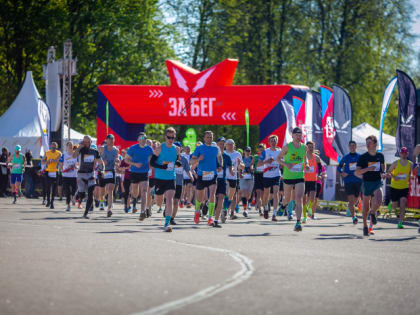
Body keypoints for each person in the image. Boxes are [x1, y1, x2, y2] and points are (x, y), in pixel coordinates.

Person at [277, 128, 309, 232]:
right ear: (293, 135)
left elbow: (305, 158)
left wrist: (307, 164)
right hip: (288, 176)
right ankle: (283, 205)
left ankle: (298, 222)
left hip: (300, 176)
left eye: (300, 134)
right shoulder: (287, 147)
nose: (299, 136)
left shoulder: (304, 147)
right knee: (287, 199)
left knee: (299, 198)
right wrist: (286, 164)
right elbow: (278, 158)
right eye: (297, 134)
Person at [190, 131, 223, 227]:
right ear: (204, 138)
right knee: (200, 197)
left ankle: (210, 218)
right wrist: (198, 159)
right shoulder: (199, 148)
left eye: (211, 137)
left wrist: (220, 165)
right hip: (201, 174)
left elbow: (220, 157)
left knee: (212, 194)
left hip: (213, 174)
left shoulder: (215, 148)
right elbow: (191, 161)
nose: (209, 139)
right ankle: (197, 211)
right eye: (208, 137)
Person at [355, 135, 385, 236]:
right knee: (365, 208)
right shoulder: (363, 157)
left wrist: (385, 174)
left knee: (379, 199)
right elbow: (356, 172)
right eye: (366, 143)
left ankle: (373, 213)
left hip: (377, 181)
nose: (367, 145)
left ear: (375, 144)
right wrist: (367, 169)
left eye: (370, 143)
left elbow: (382, 170)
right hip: (367, 183)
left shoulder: (380, 156)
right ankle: (365, 226)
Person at [150, 127, 179, 232]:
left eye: (173, 137)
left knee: (170, 199)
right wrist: (163, 167)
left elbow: (176, 161)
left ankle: (167, 224)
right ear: (165, 137)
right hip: (159, 178)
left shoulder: (176, 149)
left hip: (171, 178)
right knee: (159, 202)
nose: (171, 139)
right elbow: (152, 163)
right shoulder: (160, 148)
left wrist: (177, 164)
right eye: (169, 137)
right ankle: (155, 193)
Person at [125, 132, 154, 220]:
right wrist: (134, 164)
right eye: (141, 138)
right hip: (134, 172)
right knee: (135, 193)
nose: (143, 140)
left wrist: (152, 164)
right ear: (138, 140)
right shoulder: (133, 148)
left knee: (144, 191)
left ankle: (142, 212)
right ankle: (134, 198)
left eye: (144, 138)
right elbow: (126, 159)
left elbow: (152, 158)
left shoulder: (149, 148)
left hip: (144, 172)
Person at [73, 136, 103, 218]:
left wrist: (102, 170)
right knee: (82, 194)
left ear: (91, 142)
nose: (87, 143)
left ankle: (86, 213)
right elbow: (74, 156)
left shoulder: (94, 151)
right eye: (85, 142)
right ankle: (79, 197)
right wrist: (79, 147)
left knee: (90, 193)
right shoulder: (81, 150)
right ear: (83, 142)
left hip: (90, 174)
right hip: (81, 174)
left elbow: (101, 162)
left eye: (88, 142)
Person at [386, 147, 413, 229]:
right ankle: (391, 203)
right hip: (395, 187)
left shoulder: (410, 164)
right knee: (394, 206)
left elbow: (411, 172)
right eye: (402, 153)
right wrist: (394, 177)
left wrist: (411, 176)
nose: (404, 154)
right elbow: (388, 172)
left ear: (407, 154)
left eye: (405, 153)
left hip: (404, 187)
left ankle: (400, 222)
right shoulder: (395, 163)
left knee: (403, 204)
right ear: (400, 154)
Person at [338, 141, 362, 224]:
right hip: (348, 181)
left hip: (358, 180)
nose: (352, 147)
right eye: (351, 146)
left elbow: (364, 166)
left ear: (356, 147)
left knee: (354, 200)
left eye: (353, 145)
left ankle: (354, 203)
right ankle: (354, 217)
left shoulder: (360, 156)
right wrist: (342, 172)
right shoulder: (345, 157)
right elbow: (339, 167)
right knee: (351, 201)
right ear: (349, 147)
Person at [258, 135, 281, 221]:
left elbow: (283, 162)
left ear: (277, 142)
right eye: (271, 141)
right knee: (266, 194)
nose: (273, 142)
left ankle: (274, 214)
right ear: (269, 142)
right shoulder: (265, 152)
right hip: (267, 176)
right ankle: (266, 208)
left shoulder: (280, 151)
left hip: (276, 175)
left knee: (276, 192)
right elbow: (258, 164)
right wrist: (267, 161)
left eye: (274, 141)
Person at [172, 142, 193, 225]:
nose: (176, 149)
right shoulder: (169, 158)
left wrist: (191, 176)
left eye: (178, 148)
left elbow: (187, 170)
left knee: (176, 201)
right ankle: (168, 210)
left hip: (179, 183)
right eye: (175, 147)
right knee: (170, 199)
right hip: (170, 181)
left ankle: (172, 218)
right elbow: (164, 167)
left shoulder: (184, 159)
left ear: (181, 149)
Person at [100, 134, 120, 217]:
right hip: (103, 171)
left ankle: (109, 209)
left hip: (111, 171)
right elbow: (97, 159)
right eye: (110, 139)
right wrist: (102, 162)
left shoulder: (116, 150)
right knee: (103, 191)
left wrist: (117, 161)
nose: (111, 141)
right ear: (106, 140)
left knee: (110, 190)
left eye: (113, 139)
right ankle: (102, 202)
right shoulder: (102, 148)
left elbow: (117, 159)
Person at [224, 139, 244, 220]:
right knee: (226, 192)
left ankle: (229, 211)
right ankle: (225, 210)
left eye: (232, 144)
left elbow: (242, 167)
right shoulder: (223, 153)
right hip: (225, 177)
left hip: (234, 177)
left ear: (234, 145)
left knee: (231, 196)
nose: (230, 146)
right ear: (225, 145)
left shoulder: (237, 154)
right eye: (228, 144)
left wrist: (240, 164)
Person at [303, 141, 322, 222]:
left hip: (313, 180)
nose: (311, 148)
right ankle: (304, 217)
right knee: (304, 201)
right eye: (309, 147)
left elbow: (320, 167)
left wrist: (319, 174)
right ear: (306, 148)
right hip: (303, 180)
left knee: (312, 198)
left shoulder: (316, 157)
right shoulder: (303, 157)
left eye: (312, 147)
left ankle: (309, 208)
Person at [215, 137, 233, 225]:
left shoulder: (227, 156)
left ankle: (217, 218)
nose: (222, 145)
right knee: (214, 199)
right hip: (213, 179)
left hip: (223, 180)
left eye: (223, 144)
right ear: (217, 144)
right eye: (220, 144)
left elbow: (230, 167)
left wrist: (232, 171)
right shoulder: (213, 155)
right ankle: (209, 210)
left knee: (221, 197)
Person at [42, 142, 62, 209]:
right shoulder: (47, 152)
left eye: (54, 147)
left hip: (55, 171)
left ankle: (52, 202)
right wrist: (46, 162)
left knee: (54, 188)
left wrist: (54, 160)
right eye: (52, 147)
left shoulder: (59, 153)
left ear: (56, 147)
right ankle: (48, 201)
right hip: (48, 171)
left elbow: (60, 161)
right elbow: (43, 161)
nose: (53, 148)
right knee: (48, 187)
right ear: (50, 146)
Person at [60, 141, 78, 211]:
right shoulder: (64, 155)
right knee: (67, 191)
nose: (70, 146)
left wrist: (75, 166)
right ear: (66, 147)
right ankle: (68, 205)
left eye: (71, 145)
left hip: (74, 176)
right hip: (66, 176)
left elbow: (78, 163)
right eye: (69, 145)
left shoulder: (75, 155)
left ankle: (73, 197)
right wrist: (62, 170)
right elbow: (61, 164)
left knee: (74, 190)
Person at [239, 147, 254, 217]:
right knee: (244, 192)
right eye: (246, 150)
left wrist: (252, 169)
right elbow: (239, 166)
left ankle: (247, 203)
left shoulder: (252, 158)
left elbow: (252, 165)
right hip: (243, 177)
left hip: (250, 177)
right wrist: (239, 174)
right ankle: (245, 209)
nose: (248, 152)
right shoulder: (241, 158)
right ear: (244, 151)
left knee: (248, 195)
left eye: (249, 151)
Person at [253, 144, 266, 216]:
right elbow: (252, 164)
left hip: (265, 175)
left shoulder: (266, 156)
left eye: (263, 150)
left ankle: (264, 207)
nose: (261, 151)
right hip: (257, 175)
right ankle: (260, 210)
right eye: (260, 150)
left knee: (264, 194)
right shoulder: (255, 157)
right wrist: (252, 167)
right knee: (258, 193)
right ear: (258, 150)